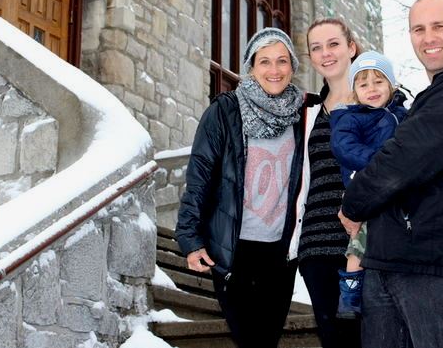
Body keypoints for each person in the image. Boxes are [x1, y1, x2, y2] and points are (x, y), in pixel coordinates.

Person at [339, 0, 443, 348]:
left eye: (439, 26)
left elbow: (404, 159)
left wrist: (353, 202)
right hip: (387, 264)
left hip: (436, 270)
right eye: (418, 29)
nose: (428, 37)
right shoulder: (428, 99)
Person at [175, 27, 306, 348]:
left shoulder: (304, 114)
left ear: (293, 67)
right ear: (251, 67)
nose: (274, 70)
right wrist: (190, 239)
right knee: (249, 339)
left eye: (282, 61)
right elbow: (200, 175)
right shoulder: (224, 111)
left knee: (268, 339)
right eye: (264, 62)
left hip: (281, 252)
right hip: (235, 248)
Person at [286, 18, 362, 348]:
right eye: (316, 47)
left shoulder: (376, 98)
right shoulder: (308, 111)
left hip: (363, 243)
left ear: (351, 48)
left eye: (333, 44)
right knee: (336, 342)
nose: (325, 53)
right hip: (316, 244)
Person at [328, 50, 408, 319]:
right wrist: (378, 163)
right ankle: (350, 294)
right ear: (354, 91)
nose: (371, 89)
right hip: (362, 184)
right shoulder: (350, 117)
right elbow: (344, 147)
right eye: (363, 84)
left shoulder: (402, 114)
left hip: (395, 190)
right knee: (359, 241)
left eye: (378, 81)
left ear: (391, 84)